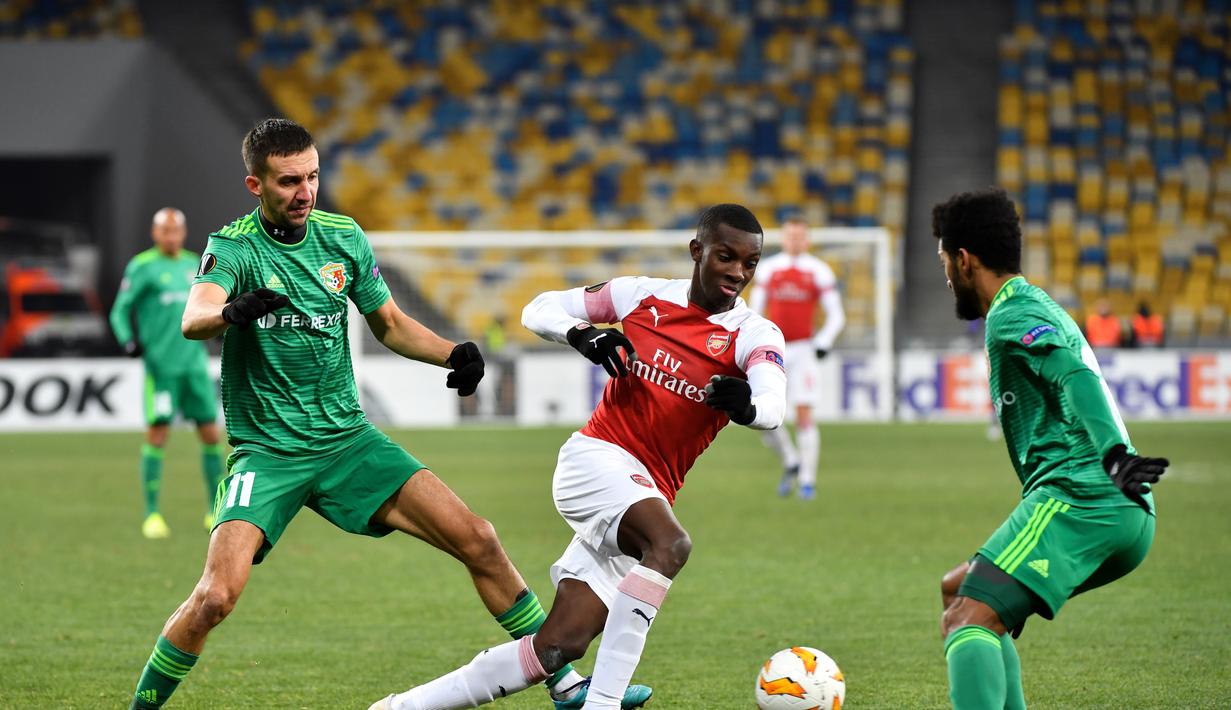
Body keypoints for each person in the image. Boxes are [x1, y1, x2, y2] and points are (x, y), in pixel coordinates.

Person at [125, 118, 614, 709]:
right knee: (215, 598)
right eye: (288, 182)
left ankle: (565, 685)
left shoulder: (343, 237)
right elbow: (193, 317)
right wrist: (231, 313)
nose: (305, 192)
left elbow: (390, 325)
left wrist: (452, 353)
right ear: (256, 185)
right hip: (269, 453)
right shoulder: (234, 247)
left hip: (348, 443)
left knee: (479, 538)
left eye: (312, 177)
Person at [370, 204, 787, 710]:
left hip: (644, 491)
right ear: (697, 251)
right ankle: (603, 704)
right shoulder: (641, 295)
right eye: (726, 257)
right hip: (595, 460)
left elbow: (773, 406)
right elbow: (538, 308)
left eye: (750, 263)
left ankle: (398, 708)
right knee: (671, 545)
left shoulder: (754, 334)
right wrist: (582, 335)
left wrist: (747, 407)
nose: (738, 272)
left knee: (556, 647)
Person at [932, 188, 1168, 710]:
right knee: (960, 591)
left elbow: (1073, 373)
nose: (945, 275)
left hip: (1083, 497)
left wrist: (1113, 454)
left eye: (944, 260)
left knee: (968, 619)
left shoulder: (1010, 314)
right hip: (1113, 505)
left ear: (964, 260)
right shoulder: (1034, 303)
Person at [108, 207, 224, 538]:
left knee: (211, 435)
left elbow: (210, 305)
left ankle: (214, 510)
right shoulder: (142, 266)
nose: (171, 237)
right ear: (155, 233)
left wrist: (220, 327)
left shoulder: (195, 264)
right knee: (158, 434)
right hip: (161, 369)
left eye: (176, 231)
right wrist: (127, 340)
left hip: (194, 366)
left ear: (183, 233)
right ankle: (152, 514)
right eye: (165, 231)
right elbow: (120, 310)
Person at [748, 217, 845, 498]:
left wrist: (823, 342)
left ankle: (807, 480)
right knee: (759, 413)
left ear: (807, 240)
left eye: (800, 236)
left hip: (803, 350)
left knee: (804, 412)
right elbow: (755, 311)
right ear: (783, 238)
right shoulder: (768, 269)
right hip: (773, 349)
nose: (795, 241)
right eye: (790, 236)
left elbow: (837, 315)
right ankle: (791, 459)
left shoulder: (818, 271)